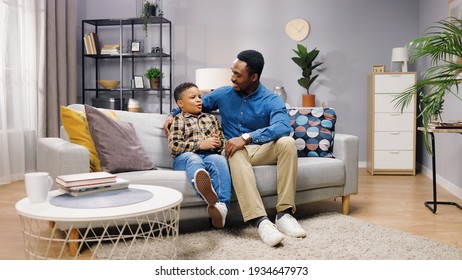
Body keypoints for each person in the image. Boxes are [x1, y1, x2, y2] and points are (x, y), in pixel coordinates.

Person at [165, 50, 306, 246]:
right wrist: (172, 115)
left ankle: (284, 215)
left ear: (254, 77)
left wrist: (247, 137)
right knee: (235, 149)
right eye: (232, 72)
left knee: (287, 143)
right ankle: (260, 221)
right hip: (233, 151)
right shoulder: (223, 93)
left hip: (260, 149)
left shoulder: (271, 99)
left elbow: (283, 126)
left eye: (238, 75)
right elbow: (194, 104)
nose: (232, 78)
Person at [168, 82, 231, 228]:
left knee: (220, 160)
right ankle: (202, 188)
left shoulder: (211, 118)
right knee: (193, 158)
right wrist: (199, 145)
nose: (198, 100)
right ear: (180, 104)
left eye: (199, 97)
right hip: (184, 157)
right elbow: (174, 147)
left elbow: (223, 140)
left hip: (208, 156)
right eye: (193, 97)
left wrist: (217, 143)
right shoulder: (179, 120)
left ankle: (221, 207)